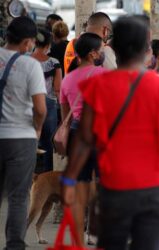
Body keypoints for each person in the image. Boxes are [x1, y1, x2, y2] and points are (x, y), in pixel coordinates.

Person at [61, 16, 159, 250]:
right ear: (146, 50)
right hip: (156, 187)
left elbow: (84, 141)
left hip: (115, 187)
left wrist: (68, 180)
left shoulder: (98, 87)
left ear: (112, 48)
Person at [0, 16, 47, 249]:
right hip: (21, 138)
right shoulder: (30, 65)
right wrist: (37, 129)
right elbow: (40, 108)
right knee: (18, 197)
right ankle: (14, 245)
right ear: (27, 42)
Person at [60, 32, 107, 243]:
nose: (103, 52)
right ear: (92, 53)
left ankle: (79, 239)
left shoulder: (67, 79)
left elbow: (65, 116)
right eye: (101, 49)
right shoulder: (102, 74)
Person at [31, 28, 62, 173]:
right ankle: (47, 175)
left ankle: (31, 174)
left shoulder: (26, 60)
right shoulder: (54, 63)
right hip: (49, 104)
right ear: (48, 44)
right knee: (48, 143)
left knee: (31, 142)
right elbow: (57, 88)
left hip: (29, 104)